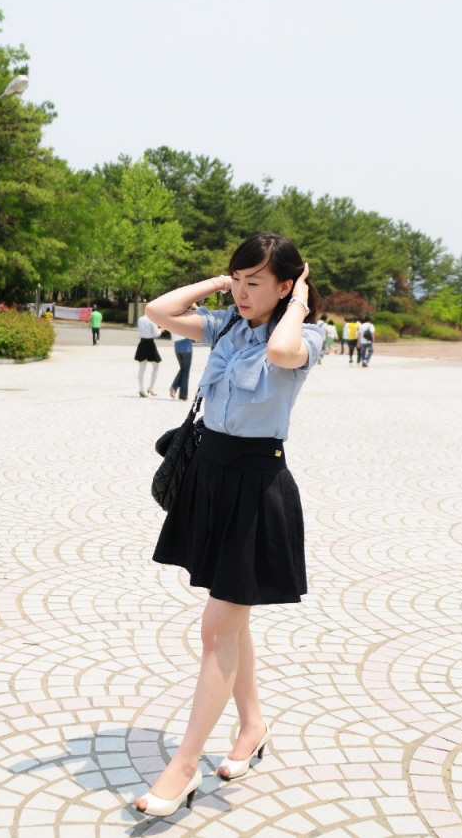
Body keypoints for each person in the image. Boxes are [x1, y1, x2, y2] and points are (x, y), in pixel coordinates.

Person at [133, 232, 324, 817]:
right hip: (209, 480)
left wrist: (297, 302)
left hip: (256, 490)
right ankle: (253, 725)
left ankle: (184, 765)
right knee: (230, 623)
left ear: (285, 286)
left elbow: (282, 353)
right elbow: (159, 311)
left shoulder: (307, 336)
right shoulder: (225, 326)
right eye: (237, 280)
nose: (242, 293)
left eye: (255, 283)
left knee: (216, 629)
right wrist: (223, 283)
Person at [135, 312, 162, 397]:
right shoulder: (152, 320)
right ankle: (151, 387)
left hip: (142, 342)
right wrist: (161, 330)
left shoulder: (140, 319)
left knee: (142, 368)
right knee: (156, 366)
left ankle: (141, 388)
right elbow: (156, 333)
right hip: (150, 343)